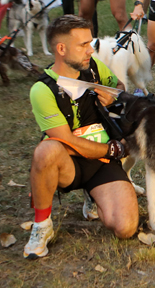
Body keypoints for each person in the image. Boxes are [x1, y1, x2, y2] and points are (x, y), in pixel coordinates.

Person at [24, 15, 137, 259]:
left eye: (90, 43)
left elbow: (119, 87)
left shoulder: (93, 67)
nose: (90, 50)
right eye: (83, 45)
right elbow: (67, 141)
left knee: (126, 228)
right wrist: (114, 150)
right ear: (61, 49)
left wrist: (112, 95)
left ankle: (92, 195)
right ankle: (42, 225)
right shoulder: (42, 89)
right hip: (70, 163)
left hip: (101, 164)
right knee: (46, 150)